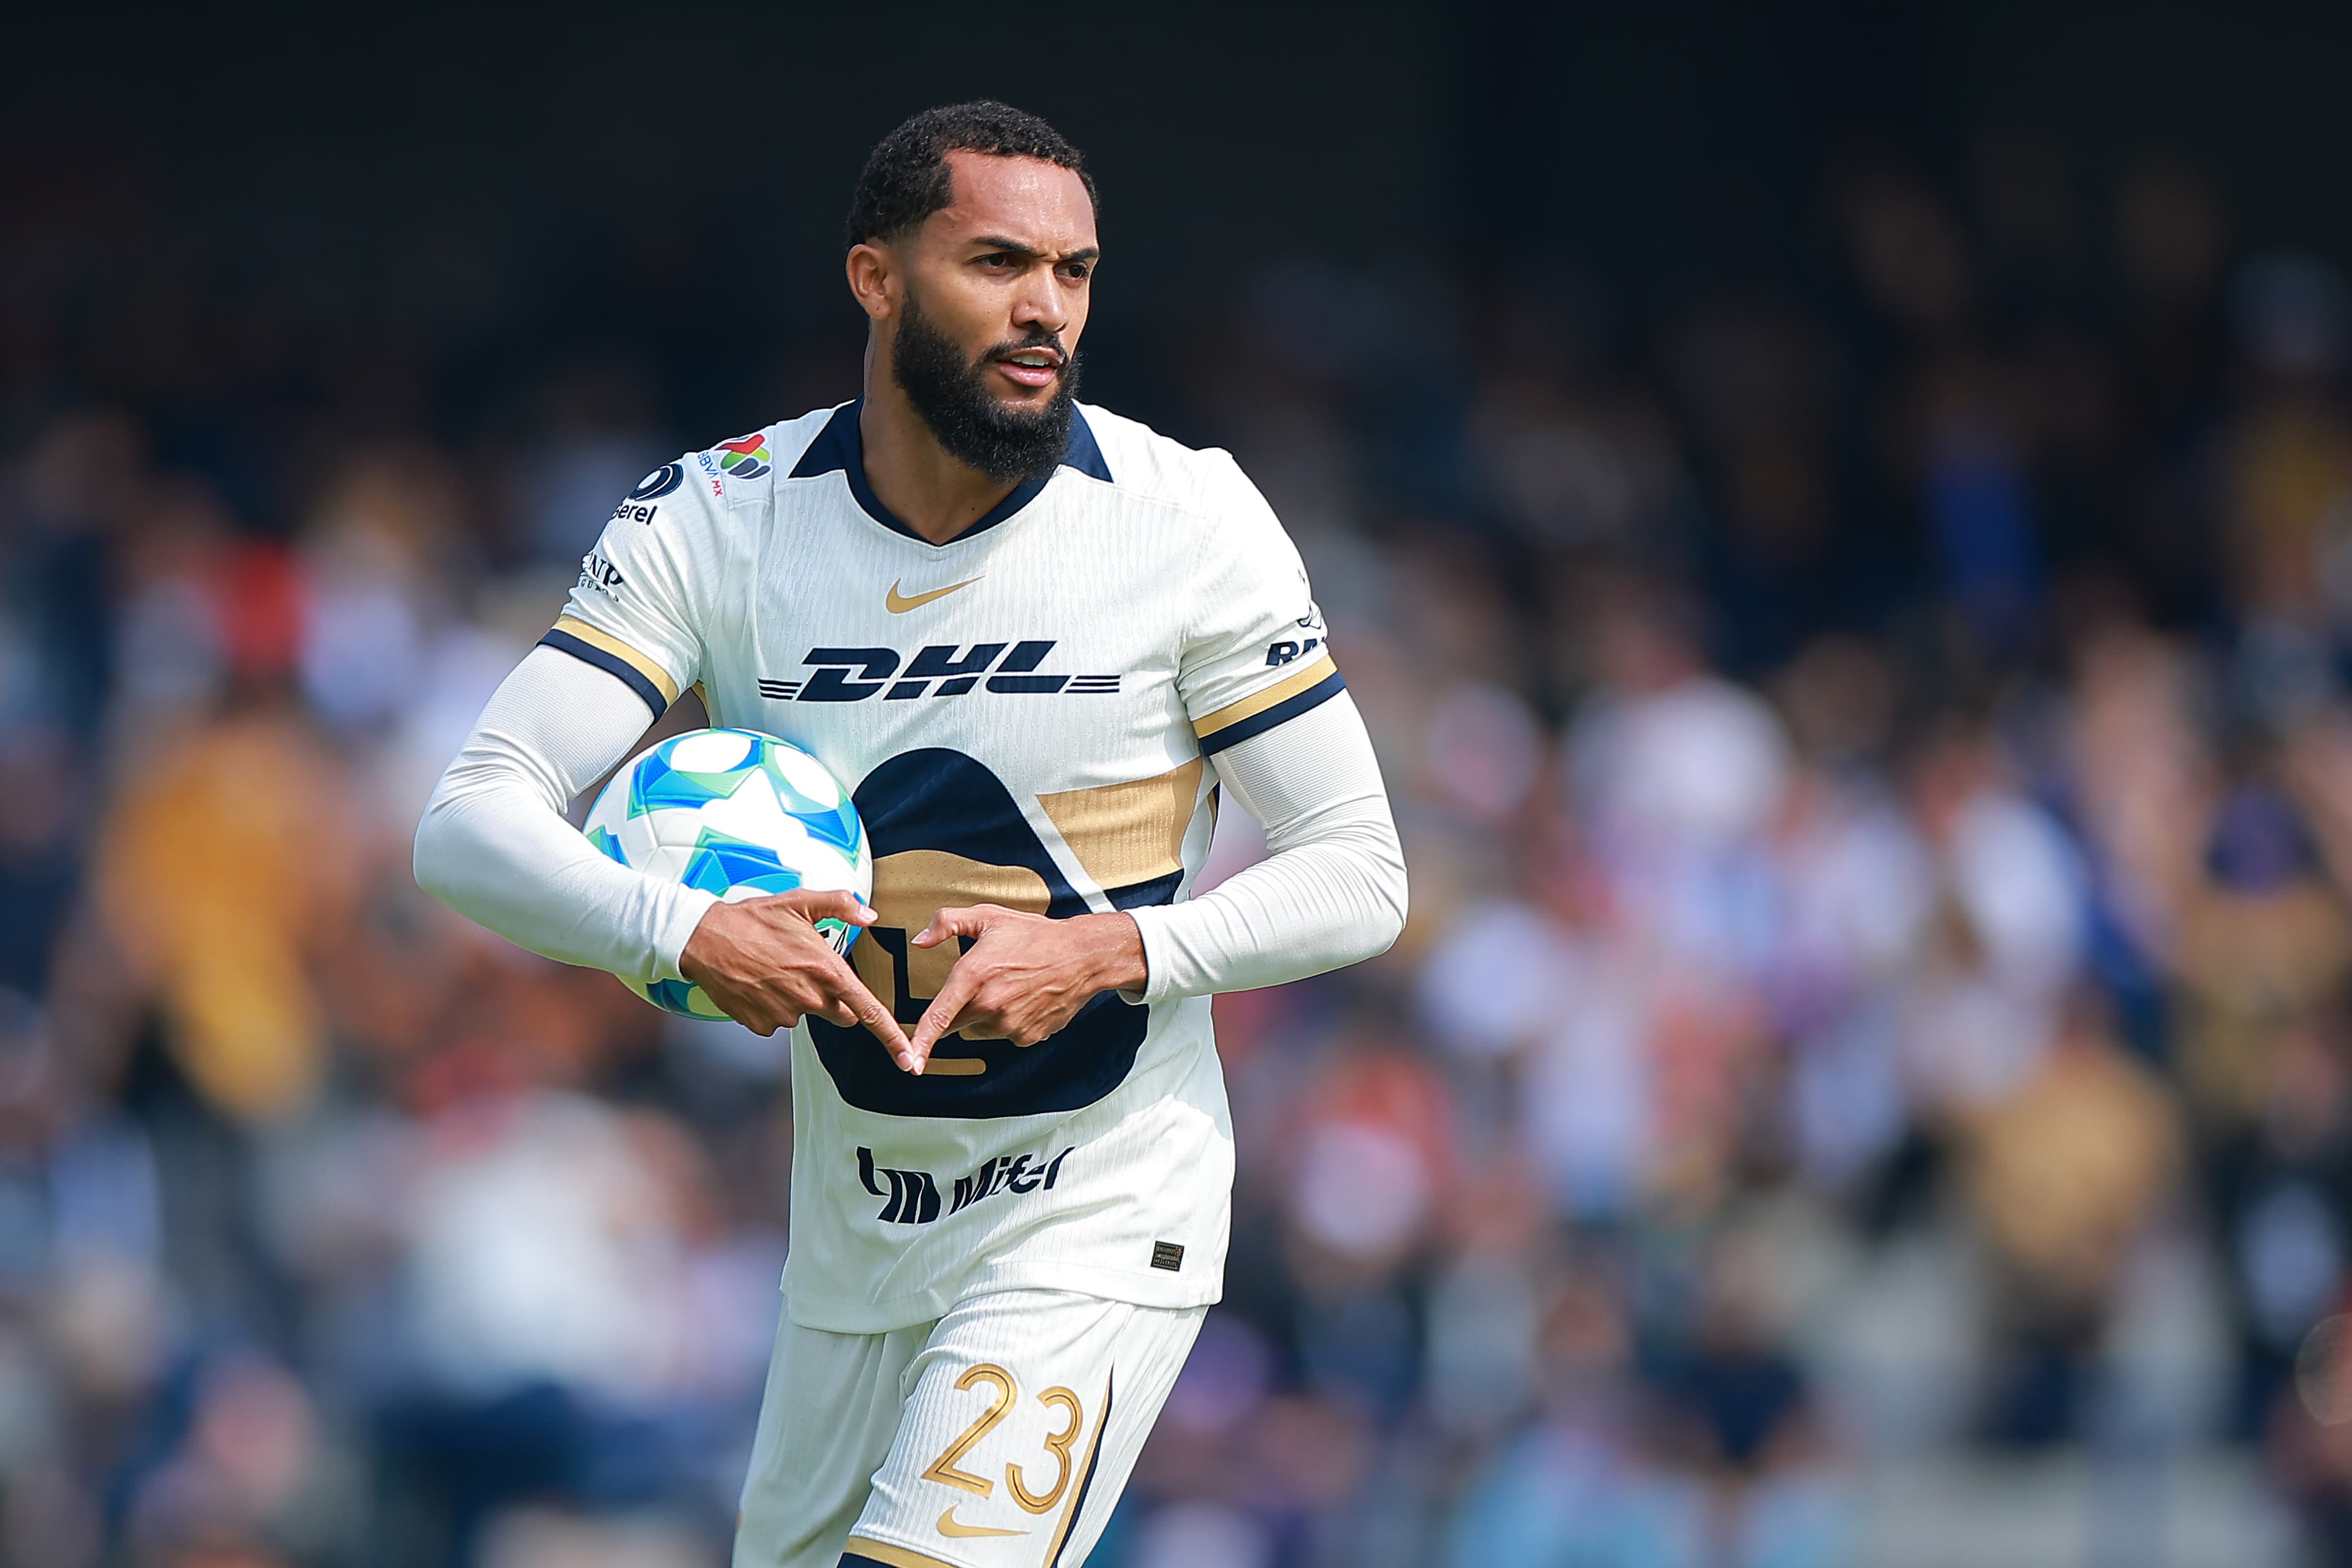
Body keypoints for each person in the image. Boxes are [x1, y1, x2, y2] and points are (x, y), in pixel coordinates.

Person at [412, 101, 1407, 1568]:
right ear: (875, 278)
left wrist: (1112, 949)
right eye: (998, 262)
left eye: (1073, 272)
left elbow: (1361, 869)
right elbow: (469, 818)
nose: (1044, 309)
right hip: (853, 1247)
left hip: (1093, 1209)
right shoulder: (720, 517)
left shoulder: (1186, 517)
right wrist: (675, 927)